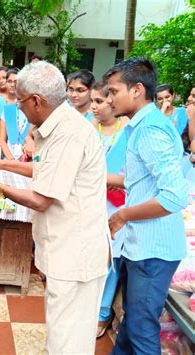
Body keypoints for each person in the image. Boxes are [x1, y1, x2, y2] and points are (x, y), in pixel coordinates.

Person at [0, 61, 110, 354]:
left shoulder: (68, 134)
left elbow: (41, 199)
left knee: (68, 340)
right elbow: (43, 170)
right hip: (65, 250)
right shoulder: (55, 126)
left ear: (37, 100)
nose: (19, 109)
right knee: (62, 332)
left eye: (21, 102)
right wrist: (2, 163)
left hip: (76, 254)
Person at [104, 58, 187, 354]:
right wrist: (92, 178)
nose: (110, 99)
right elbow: (136, 180)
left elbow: (174, 196)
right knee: (133, 323)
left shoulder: (151, 130)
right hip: (139, 246)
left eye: (114, 92)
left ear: (137, 90)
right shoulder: (141, 127)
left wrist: (123, 214)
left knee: (141, 329)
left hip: (153, 250)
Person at [89, 81, 129, 338]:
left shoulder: (129, 131)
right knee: (92, 256)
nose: (93, 107)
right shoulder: (88, 128)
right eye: (92, 101)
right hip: (90, 203)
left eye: (99, 101)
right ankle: (88, 309)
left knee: (112, 259)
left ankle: (103, 313)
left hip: (118, 205)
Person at [0, 69, 30, 160]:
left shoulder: (32, 112)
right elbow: (2, 140)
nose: (13, 85)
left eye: (16, 82)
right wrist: (11, 160)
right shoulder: (8, 110)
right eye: (10, 81)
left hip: (28, 160)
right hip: (9, 160)